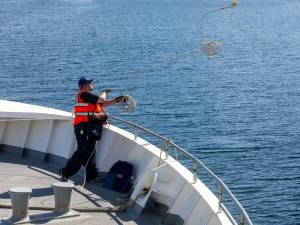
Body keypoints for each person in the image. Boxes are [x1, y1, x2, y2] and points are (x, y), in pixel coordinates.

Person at [59, 76, 124, 182]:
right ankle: (65, 172)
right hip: (82, 127)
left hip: (89, 127)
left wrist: (118, 100)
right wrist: (104, 92)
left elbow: (103, 103)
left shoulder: (88, 96)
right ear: (83, 86)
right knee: (82, 151)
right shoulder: (83, 94)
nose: (91, 84)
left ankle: (91, 176)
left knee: (90, 152)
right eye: (89, 83)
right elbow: (101, 99)